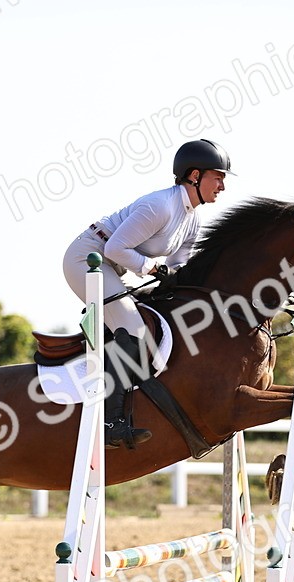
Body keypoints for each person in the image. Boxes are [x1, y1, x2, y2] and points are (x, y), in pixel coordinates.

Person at [62, 139, 233, 449]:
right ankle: (111, 423)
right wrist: (154, 271)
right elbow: (115, 248)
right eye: (217, 176)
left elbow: (177, 267)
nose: (222, 185)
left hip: (115, 268)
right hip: (87, 259)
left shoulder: (192, 219)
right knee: (136, 332)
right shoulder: (160, 206)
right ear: (194, 175)